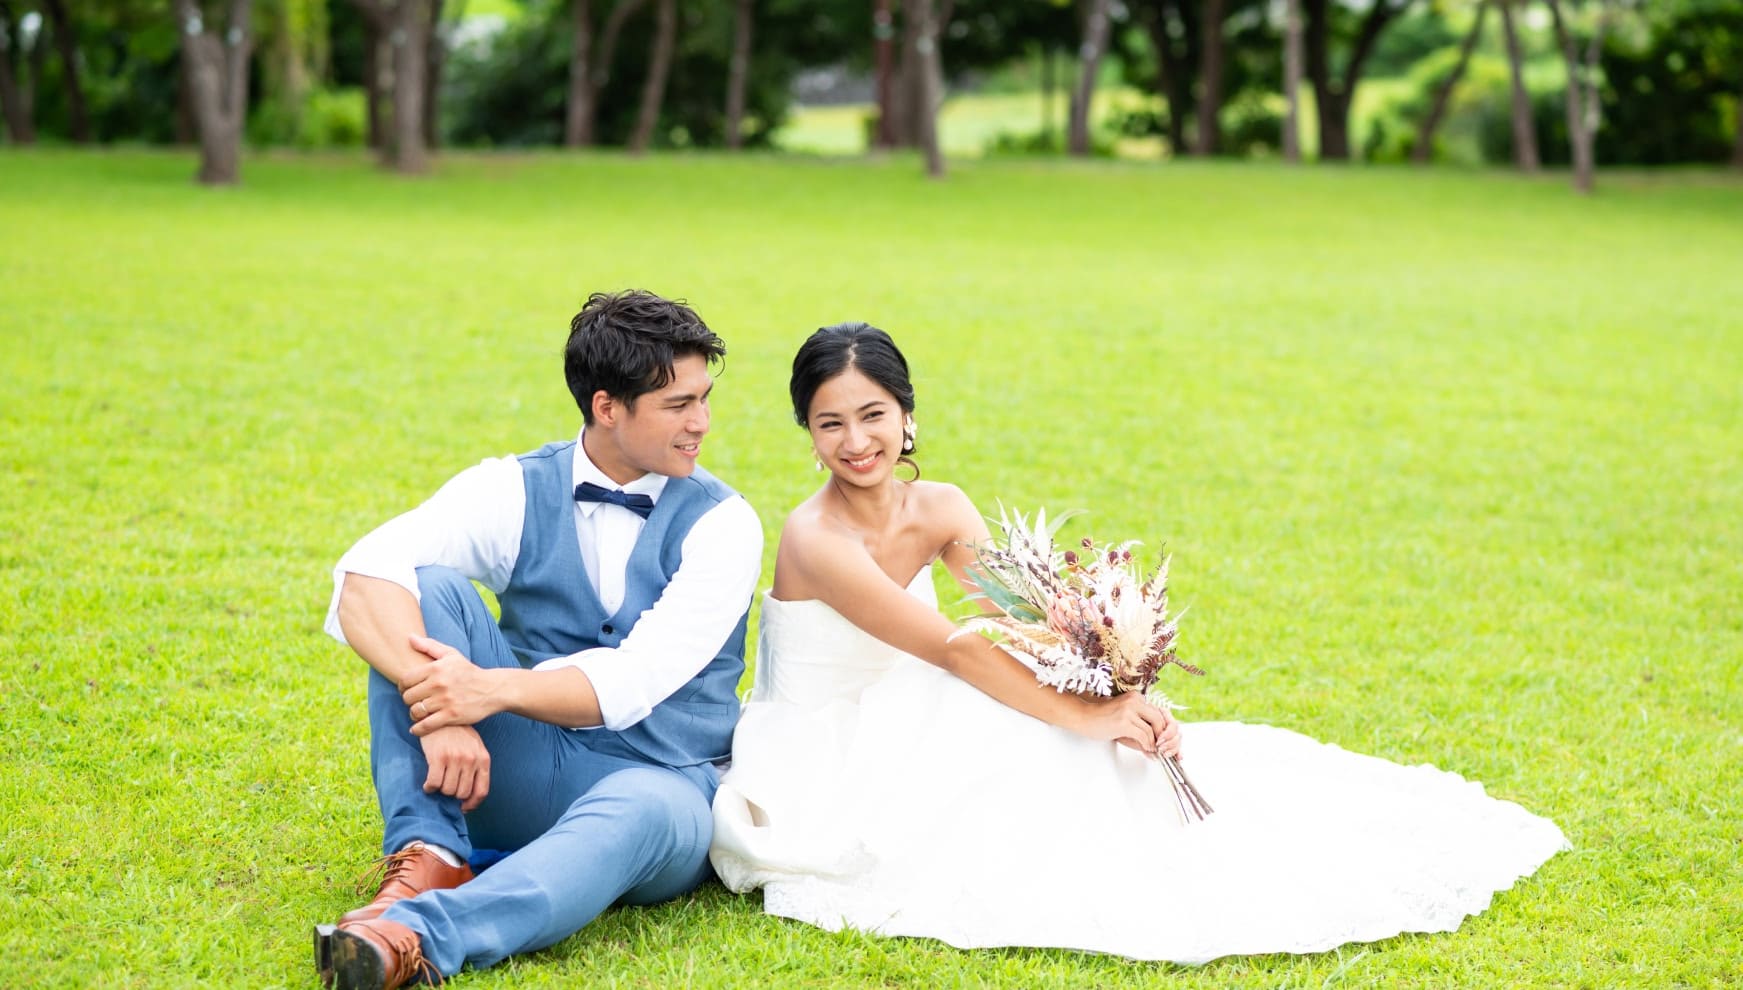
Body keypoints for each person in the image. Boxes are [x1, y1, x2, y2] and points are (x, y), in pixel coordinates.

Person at [709, 322, 1569, 963]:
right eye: (830, 424)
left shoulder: (938, 504)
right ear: (807, 433)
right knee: (1041, 757)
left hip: (928, 694)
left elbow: (1019, 618)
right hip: (835, 739)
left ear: (906, 415)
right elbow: (956, 650)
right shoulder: (815, 538)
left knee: (1076, 751)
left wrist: (1109, 685)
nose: (856, 442)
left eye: (873, 415)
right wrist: (1087, 719)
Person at [315, 290, 761, 989]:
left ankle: (414, 937)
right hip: (514, 769)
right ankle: (429, 851)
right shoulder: (513, 488)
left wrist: (481, 691)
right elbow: (363, 571)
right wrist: (436, 706)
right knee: (425, 588)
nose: (701, 423)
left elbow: (633, 679)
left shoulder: (725, 524)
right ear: (607, 406)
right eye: (678, 405)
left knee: (642, 806)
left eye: (704, 398)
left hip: (662, 790)